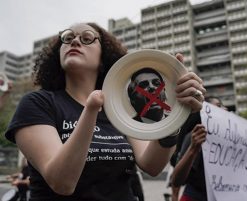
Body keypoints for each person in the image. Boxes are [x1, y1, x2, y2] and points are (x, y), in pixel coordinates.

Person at [4, 22, 206, 201]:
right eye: (67, 38)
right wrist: (91, 109)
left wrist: (174, 116)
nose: (74, 41)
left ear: (103, 59)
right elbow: (62, 183)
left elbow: (152, 165)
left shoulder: (118, 107)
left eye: (87, 38)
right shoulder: (37, 103)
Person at [171, 96, 247, 201]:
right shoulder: (195, 136)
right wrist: (193, 149)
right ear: (205, 111)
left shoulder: (233, 141)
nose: (225, 109)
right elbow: (177, 180)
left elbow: (241, 170)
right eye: (219, 106)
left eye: (224, 106)